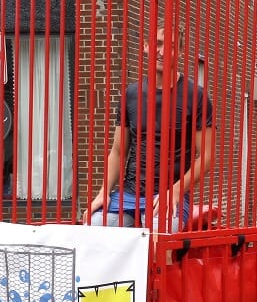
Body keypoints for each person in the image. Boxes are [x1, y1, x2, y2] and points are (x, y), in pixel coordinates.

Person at [82, 27, 214, 232]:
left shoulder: (195, 96)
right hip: (130, 194)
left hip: (171, 193)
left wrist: (176, 192)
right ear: (146, 47)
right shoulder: (131, 94)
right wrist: (103, 192)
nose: (161, 51)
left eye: (169, 46)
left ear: (179, 53)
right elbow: (118, 150)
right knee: (95, 225)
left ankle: (165, 263)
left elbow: (206, 156)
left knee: (157, 229)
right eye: (157, 44)